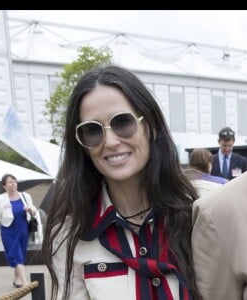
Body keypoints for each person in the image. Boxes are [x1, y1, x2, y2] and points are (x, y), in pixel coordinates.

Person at [42, 65, 200, 300]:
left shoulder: (202, 209)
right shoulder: (68, 233)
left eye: (123, 122)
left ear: (151, 126)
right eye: (92, 130)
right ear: (82, 146)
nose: (111, 141)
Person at [191, 78, 247, 299]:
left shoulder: (240, 160)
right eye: (224, 143)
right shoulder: (217, 214)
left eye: (230, 142)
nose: (227, 145)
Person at [0, 173, 37, 288]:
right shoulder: (0, 199)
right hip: (8, 231)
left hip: (23, 229)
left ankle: (16, 280)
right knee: (17, 255)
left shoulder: (25, 196)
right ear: (4, 186)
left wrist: (30, 209)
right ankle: (25, 283)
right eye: (10, 182)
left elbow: (34, 210)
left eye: (14, 181)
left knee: (21, 255)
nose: (13, 184)